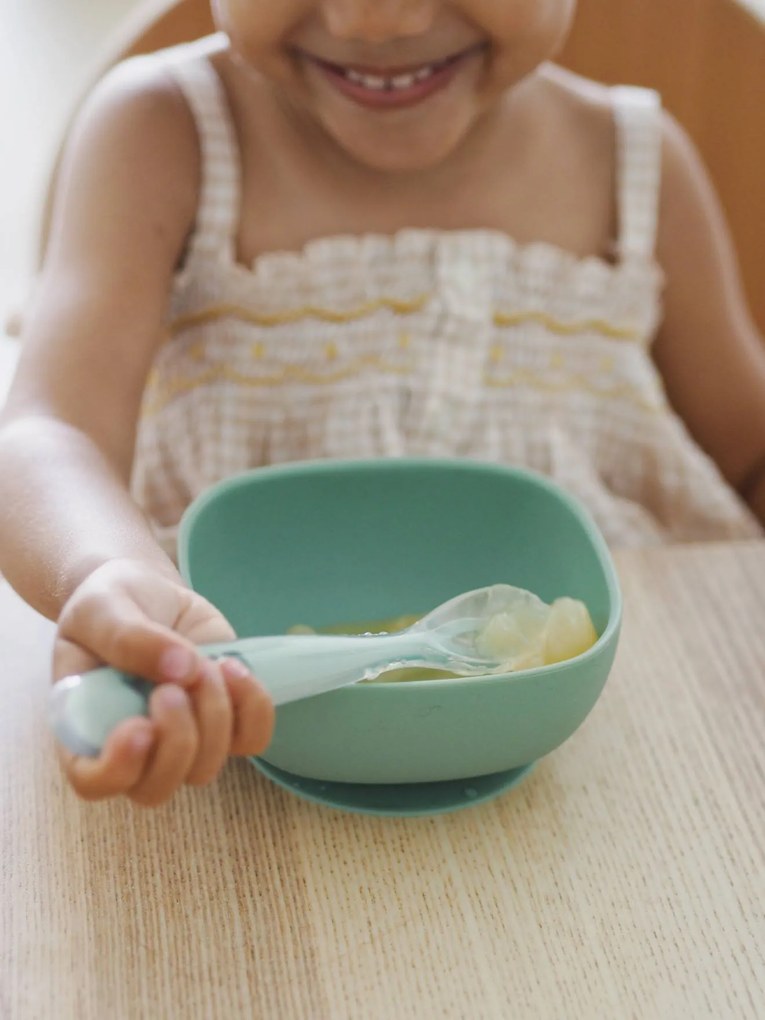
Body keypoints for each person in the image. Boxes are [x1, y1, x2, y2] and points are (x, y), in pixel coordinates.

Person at [1, 0, 764, 807]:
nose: (378, 20)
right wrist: (109, 570)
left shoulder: (637, 166)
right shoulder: (163, 134)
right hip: (237, 772)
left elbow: (748, 455)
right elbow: (48, 432)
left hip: (629, 767)